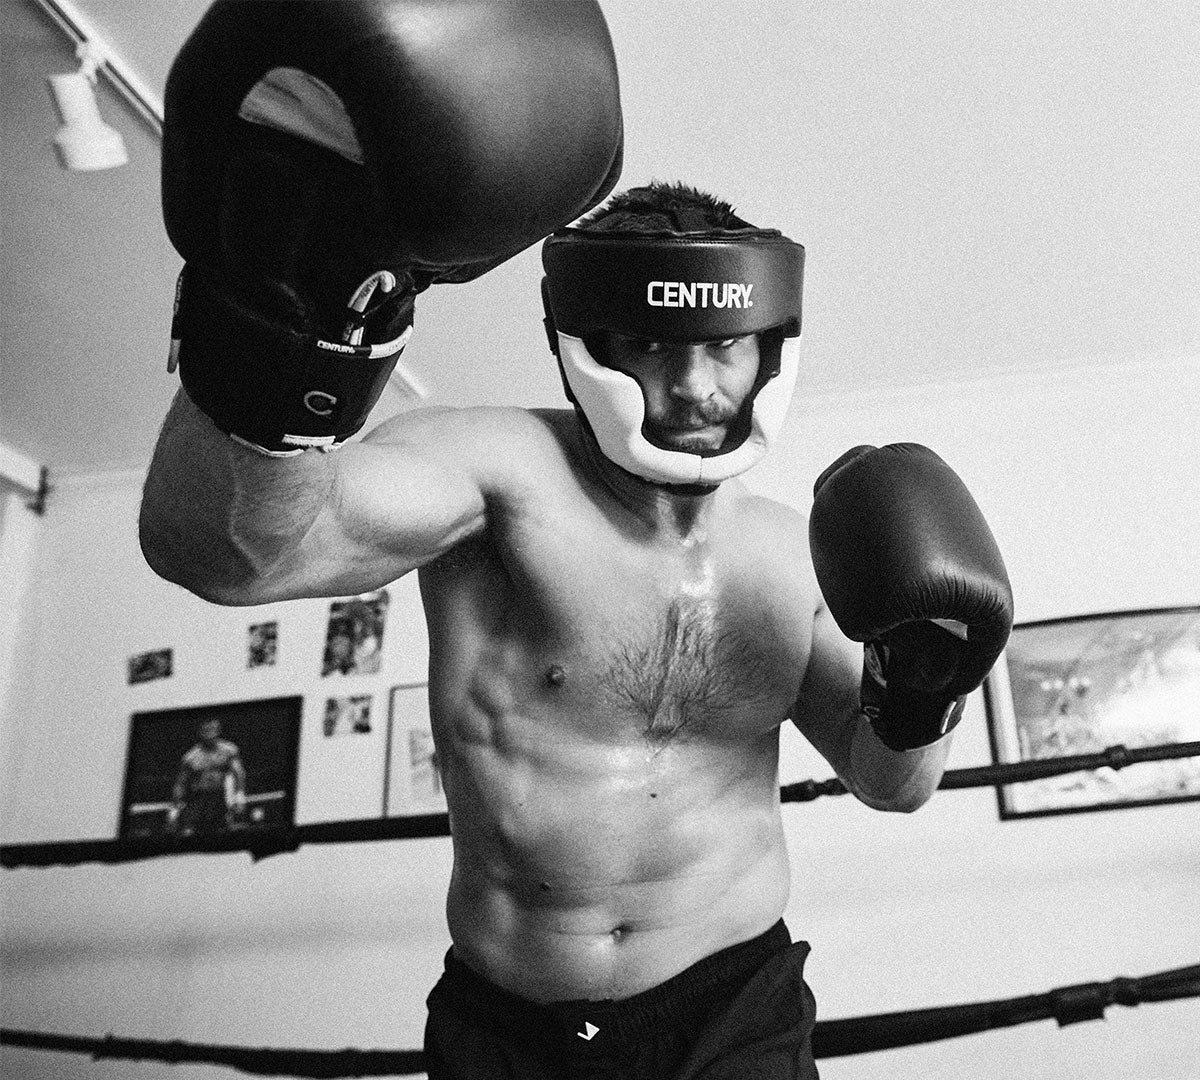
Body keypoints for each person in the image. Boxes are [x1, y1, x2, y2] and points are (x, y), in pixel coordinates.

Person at [138, 3, 1012, 1077]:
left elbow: (894, 784)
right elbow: (225, 553)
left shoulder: (800, 555)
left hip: (733, 1004)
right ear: (580, 346)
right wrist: (284, 314)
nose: (695, 386)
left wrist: (921, 684)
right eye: (651, 345)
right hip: (510, 1017)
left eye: (726, 348)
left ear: (770, 346)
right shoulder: (494, 475)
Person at [166, 717, 247, 837]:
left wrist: (239, 793)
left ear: (218, 730)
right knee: (190, 833)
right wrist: (175, 806)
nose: (210, 733)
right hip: (197, 799)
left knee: (224, 834)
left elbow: (238, 773)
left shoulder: (229, 750)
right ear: (200, 732)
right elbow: (180, 783)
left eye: (213, 729)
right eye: (206, 730)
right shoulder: (190, 757)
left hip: (219, 798)